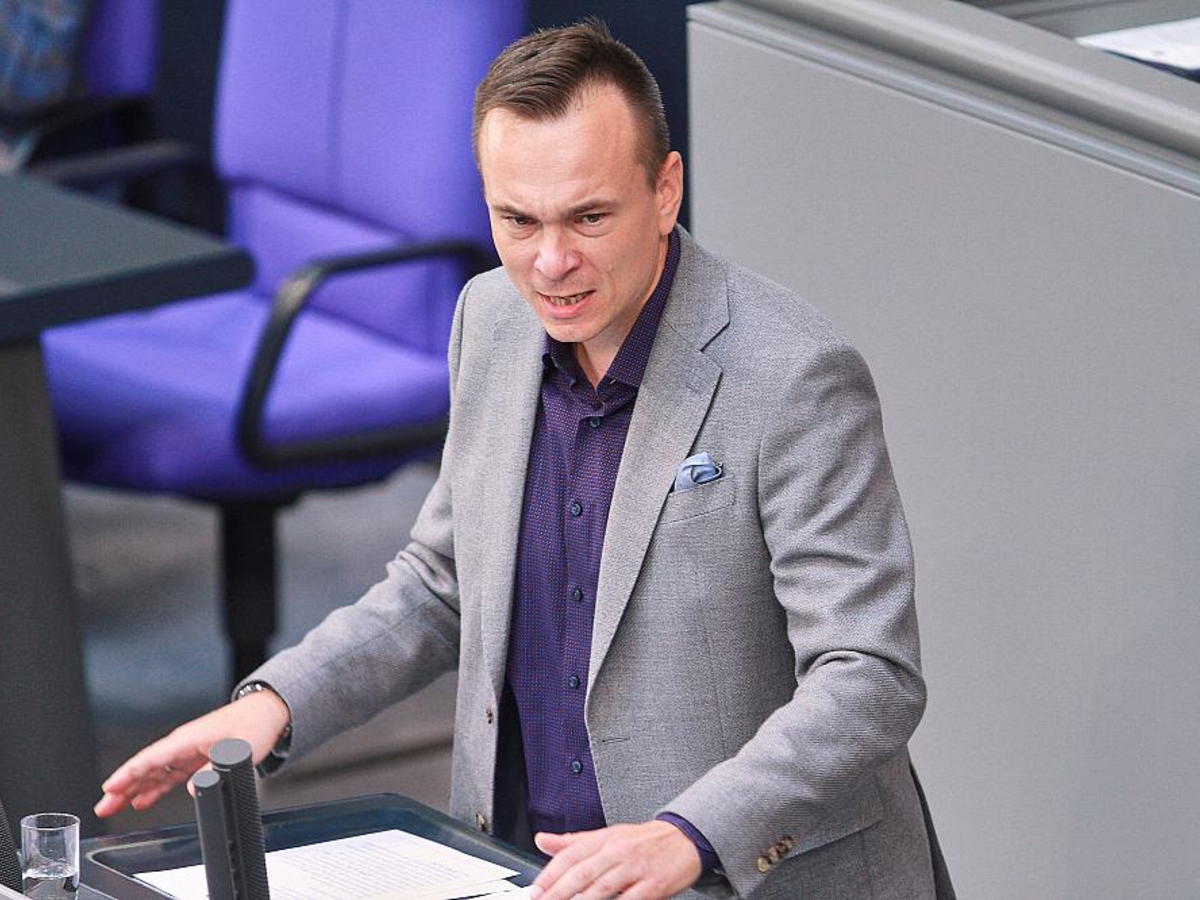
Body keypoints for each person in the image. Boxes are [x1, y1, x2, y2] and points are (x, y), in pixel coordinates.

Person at [95, 20, 954, 900]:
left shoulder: (794, 377)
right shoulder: (491, 319)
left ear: (665, 190)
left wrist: (688, 836)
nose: (551, 263)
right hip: (524, 869)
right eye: (517, 220)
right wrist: (272, 707)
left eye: (589, 217)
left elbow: (869, 677)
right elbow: (442, 583)